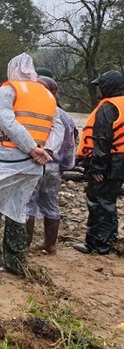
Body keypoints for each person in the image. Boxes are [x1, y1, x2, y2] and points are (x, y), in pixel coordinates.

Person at [0, 53, 63, 276]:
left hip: (8, 158)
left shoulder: (8, 89)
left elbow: (7, 121)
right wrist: (45, 151)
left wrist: (31, 148)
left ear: (13, 70)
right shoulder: (48, 96)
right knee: (18, 208)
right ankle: (16, 260)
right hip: (35, 164)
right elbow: (58, 128)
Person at [25, 73, 77, 255]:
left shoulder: (32, 112)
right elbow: (70, 145)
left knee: (27, 204)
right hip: (54, 168)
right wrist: (65, 167)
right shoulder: (65, 117)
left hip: (33, 165)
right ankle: (50, 245)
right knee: (51, 204)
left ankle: (25, 246)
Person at [73, 70, 124, 255]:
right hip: (120, 161)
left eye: (100, 87)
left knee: (98, 201)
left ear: (108, 87)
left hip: (108, 161)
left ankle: (96, 245)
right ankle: (110, 238)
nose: (98, 91)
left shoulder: (108, 107)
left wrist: (97, 167)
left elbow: (102, 139)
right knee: (109, 200)